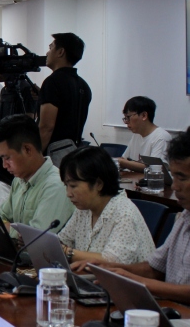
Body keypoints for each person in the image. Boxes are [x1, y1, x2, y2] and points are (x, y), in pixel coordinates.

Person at [72, 127, 190, 303]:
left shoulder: (124, 210)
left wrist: (138, 281)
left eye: (182, 178)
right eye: (174, 177)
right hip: (173, 311)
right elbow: (154, 269)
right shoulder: (185, 216)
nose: (174, 186)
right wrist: (109, 268)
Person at [0, 114, 74, 235]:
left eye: (7, 158)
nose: (4, 165)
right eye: (1, 158)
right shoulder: (18, 180)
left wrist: (4, 227)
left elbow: (37, 237)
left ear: (27, 149)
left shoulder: (55, 185)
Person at [56, 146, 154, 265]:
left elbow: (112, 261)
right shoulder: (83, 208)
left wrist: (67, 252)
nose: (68, 194)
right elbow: (62, 241)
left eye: (73, 186)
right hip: (87, 276)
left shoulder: (124, 213)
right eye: (66, 186)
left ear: (98, 184)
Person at [38, 33, 91, 153]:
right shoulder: (84, 85)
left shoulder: (52, 82)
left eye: (50, 47)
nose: (47, 53)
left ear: (60, 52)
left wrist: (36, 155)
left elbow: (46, 127)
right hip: (73, 152)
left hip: (53, 154)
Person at [117, 96, 173, 172]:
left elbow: (155, 169)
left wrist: (123, 163)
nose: (126, 122)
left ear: (144, 115)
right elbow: (124, 159)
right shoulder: (136, 135)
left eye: (128, 117)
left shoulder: (161, 137)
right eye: (125, 118)